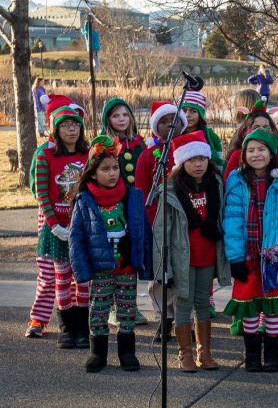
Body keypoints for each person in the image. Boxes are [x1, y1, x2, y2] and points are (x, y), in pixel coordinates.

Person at [69, 135, 152, 372]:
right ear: (93, 173)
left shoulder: (132, 196)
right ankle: (98, 353)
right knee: (99, 309)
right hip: (101, 268)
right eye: (105, 169)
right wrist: (81, 269)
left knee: (127, 309)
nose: (112, 173)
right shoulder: (85, 200)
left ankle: (127, 352)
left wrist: (145, 260)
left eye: (115, 167)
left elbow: (142, 230)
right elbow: (76, 237)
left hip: (126, 266)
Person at [222, 129, 278, 372]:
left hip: (273, 254)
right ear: (243, 154)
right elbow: (232, 220)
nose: (256, 155)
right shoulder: (236, 181)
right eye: (251, 150)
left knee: (272, 306)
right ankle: (252, 354)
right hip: (247, 254)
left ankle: (272, 355)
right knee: (249, 307)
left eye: (262, 149)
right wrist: (234, 257)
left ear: (271, 153)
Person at [151, 131, 230, 372]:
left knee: (202, 303)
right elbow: (161, 231)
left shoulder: (215, 184)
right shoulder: (172, 190)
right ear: (181, 162)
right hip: (182, 258)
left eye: (202, 159)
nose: (198, 164)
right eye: (192, 159)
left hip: (207, 256)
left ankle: (204, 352)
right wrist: (162, 266)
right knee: (183, 303)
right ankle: (184, 352)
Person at [28, 96, 90, 346]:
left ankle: (82, 327)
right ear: (56, 129)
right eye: (66, 125)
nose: (72, 129)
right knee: (61, 278)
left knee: (82, 279)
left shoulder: (89, 154)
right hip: (57, 228)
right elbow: (42, 192)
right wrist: (54, 225)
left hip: (82, 227)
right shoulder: (46, 155)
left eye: (75, 125)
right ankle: (66, 327)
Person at [137, 100, 188, 343]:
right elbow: (142, 189)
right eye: (165, 121)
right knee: (160, 272)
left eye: (175, 121)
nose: (170, 125)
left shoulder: (189, 153)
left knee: (180, 269)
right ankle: (163, 318)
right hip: (157, 221)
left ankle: (182, 318)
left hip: (182, 221)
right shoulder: (149, 156)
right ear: (157, 126)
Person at [99, 97, 146, 188]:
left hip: (139, 194)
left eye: (125, 115)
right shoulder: (103, 145)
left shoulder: (139, 143)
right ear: (107, 120)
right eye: (115, 116)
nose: (121, 119)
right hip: (115, 194)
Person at [181, 90, 225, 169]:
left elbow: (219, 165)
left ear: (201, 114)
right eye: (184, 111)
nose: (187, 115)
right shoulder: (174, 135)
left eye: (193, 111)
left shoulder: (212, 137)